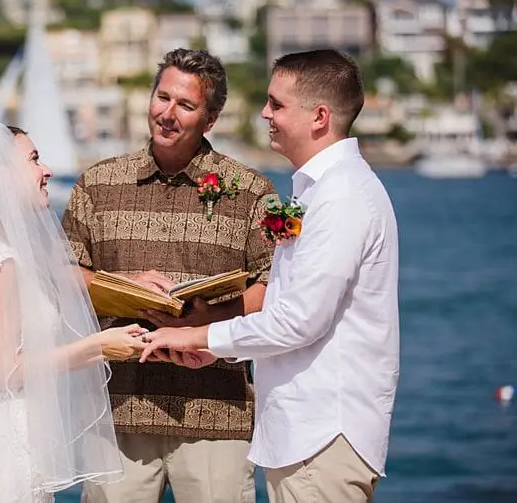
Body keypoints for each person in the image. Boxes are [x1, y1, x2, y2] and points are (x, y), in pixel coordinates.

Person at [139, 49, 400, 503]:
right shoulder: (323, 190)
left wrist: (198, 337)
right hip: (305, 434)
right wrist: (223, 350)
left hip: (323, 433)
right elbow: (287, 306)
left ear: (319, 116)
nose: (265, 114)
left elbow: (300, 321)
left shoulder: (341, 198)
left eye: (276, 104)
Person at [61, 48, 277, 503]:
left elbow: (274, 288)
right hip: (117, 410)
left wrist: (204, 321)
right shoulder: (98, 184)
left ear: (211, 119)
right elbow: (60, 275)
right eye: (162, 97)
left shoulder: (252, 190)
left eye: (185, 105)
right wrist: (124, 285)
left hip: (217, 414)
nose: (167, 113)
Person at [0, 120, 147, 503]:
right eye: (34, 159)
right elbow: (3, 371)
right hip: (8, 455)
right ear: (0, 176)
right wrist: (99, 346)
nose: (47, 170)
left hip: (7, 442)